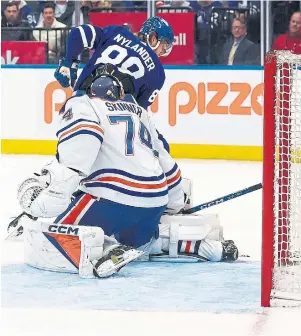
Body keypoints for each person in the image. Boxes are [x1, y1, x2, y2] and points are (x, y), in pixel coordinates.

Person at [16, 72, 238, 278]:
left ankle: (107, 249)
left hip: (113, 198)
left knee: (57, 232)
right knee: (140, 243)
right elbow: (165, 160)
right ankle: (201, 247)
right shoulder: (139, 112)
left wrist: (54, 193)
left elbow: (80, 151)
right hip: (154, 201)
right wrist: (177, 202)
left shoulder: (86, 105)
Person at [53, 16, 174, 111]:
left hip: (80, 102)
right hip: (115, 118)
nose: (162, 53)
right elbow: (140, 111)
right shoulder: (158, 72)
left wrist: (69, 62)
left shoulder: (116, 32)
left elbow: (79, 33)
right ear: (153, 38)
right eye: (163, 47)